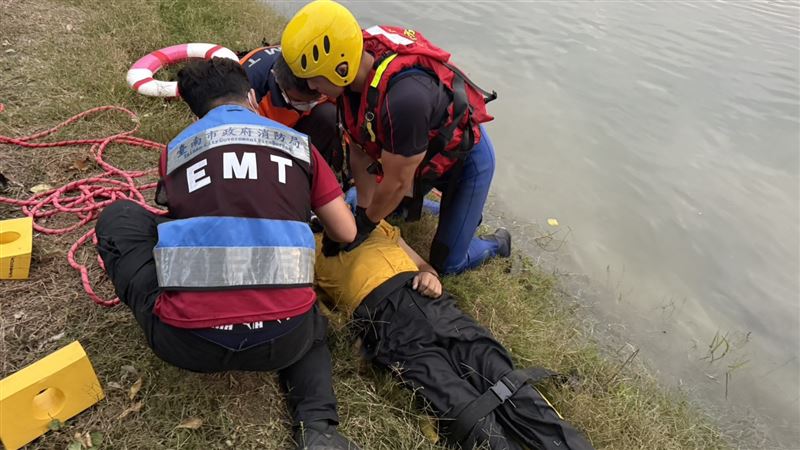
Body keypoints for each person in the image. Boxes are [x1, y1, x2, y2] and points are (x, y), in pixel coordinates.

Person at [94, 57, 360, 450]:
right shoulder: (299, 146)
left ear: (194, 109)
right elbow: (345, 231)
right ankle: (319, 427)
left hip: (185, 343)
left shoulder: (176, 150)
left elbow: (180, 213)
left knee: (120, 216)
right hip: (285, 339)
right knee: (308, 317)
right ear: (252, 96)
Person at [314, 222, 595, 450]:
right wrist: (357, 337)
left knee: (507, 383)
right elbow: (325, 313)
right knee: (465, 412)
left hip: (431, 303)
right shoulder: (307, 246)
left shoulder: (374, 224)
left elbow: (424, 266)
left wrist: (430, 276)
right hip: (388, 325)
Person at [281, 0, 511, 275]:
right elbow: (359, 150)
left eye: (312, 79)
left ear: (340, 67)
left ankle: (497, 242)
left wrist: (367, 224)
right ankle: (452, 213)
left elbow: (399, 180)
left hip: (464, 163)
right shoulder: (353, 81)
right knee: (356, 201)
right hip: (416, 158)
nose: (310, 87)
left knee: (446, 264)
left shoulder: (405, 100)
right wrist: (363, 213)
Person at [239, 45, 343, 172]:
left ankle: (309, 173)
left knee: (329, 115)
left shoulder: (327, 74)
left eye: (313, 100)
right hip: (261, 138)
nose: (306, 107)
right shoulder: (246, 89)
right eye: (299, 101)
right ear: (279, 83)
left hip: (297, 130)